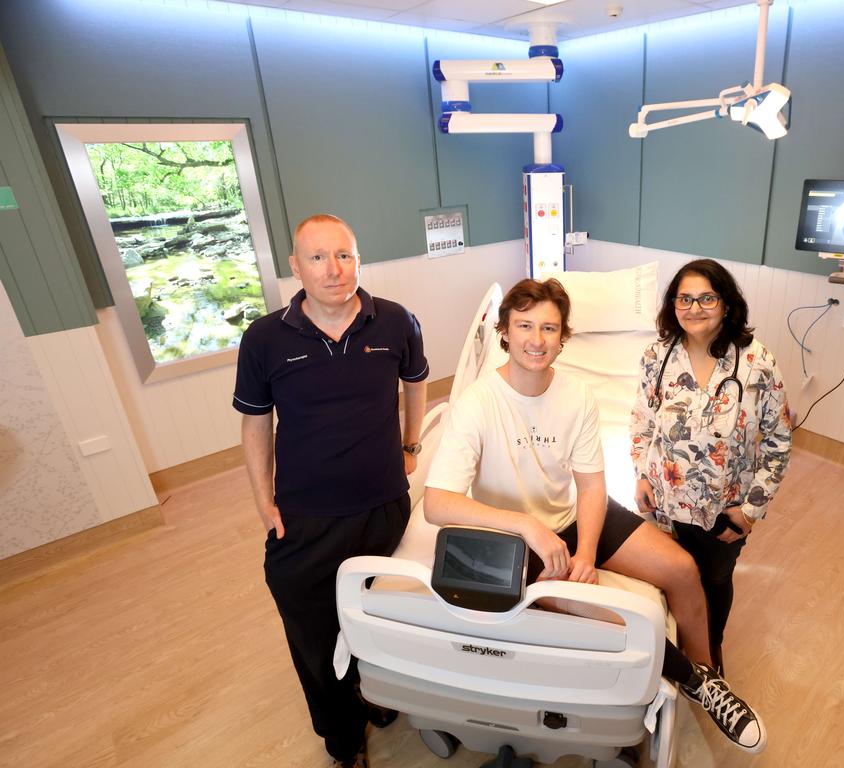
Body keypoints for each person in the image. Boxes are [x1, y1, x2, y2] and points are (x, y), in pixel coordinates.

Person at [424, 278, 766, 754]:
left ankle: (708, 683)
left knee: (683, 570)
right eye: (524, 325)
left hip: (572, 517)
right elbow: (436, 503)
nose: (536, 339)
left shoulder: (576, 395)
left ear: (563, 337)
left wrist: (586, 551)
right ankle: (690, 678)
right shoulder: (477, 403)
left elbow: (589, 486)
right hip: (513, 541)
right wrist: (526, 525)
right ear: (504, 331)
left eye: (549, 328)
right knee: (614, 614)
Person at [233, 214, 429, 768]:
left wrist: (411, 447)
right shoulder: (265, 338)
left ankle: (377, 692)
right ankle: (343, 741)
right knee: (315, 637)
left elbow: (416, 383)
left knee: (380, 619)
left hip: (383, 508)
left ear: (358, 258)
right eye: (317, 257)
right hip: (305, 518)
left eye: (343, 254)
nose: (333, 269)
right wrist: (262, 499)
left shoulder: (394, 322)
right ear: (296, 268)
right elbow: (255, 424)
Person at [632, 259, 791, 676]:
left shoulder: (757, 364)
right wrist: (642, 474)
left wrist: (750, 509)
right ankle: (672, 656)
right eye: (684, 298)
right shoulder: (658, 356)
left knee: (715, 581)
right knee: (668, 579)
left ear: (725, 303)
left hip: (723, 512)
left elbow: (778, 441)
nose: (694, 307)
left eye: (706, 297)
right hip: (664, 505)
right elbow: (641, 421)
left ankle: (709, 654)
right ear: (672, 304)